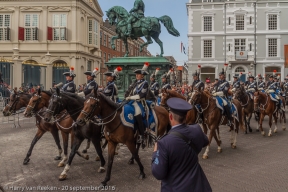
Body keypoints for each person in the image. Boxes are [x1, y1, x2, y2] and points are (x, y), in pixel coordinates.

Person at [151, 97, 211, 192]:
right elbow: (206, 141)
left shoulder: (164, 143)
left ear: (170, 117)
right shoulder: (197, 129)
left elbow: (158, 174)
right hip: (199, 186)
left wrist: (155, 153)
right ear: (186, 116)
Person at [125, 62, 149, 147]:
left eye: (138, 74)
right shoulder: (135, 83)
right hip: (131, 102)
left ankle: (142, 135)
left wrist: (130, 98)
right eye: (136, 74)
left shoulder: (145, 83)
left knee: (137, 113)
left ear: (142, 75)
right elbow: (129, 92)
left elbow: (141, 95)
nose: (136, 75)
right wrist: (127, 97)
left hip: (140, 103)